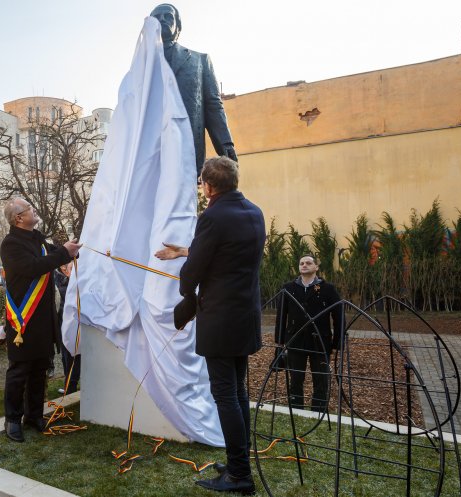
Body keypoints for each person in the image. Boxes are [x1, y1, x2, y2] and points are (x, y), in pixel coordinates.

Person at [163, 157, 264, 495]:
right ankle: (239, 462)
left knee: (226, 394)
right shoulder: (254, 211)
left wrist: (185, 289)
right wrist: (186, 251)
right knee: (238, 392)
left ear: (207, 186)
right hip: (245, 315)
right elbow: (227, 253)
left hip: (220, 318)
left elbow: (194, 271)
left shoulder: (212, 217)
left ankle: (239, 475)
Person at [0, 197, 82, 442]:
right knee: (20, 371)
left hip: (44, 318)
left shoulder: (38, 238)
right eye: (29, 209)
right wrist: (63, 254)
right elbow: (34, 267)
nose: (34, 210)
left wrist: (69, 251)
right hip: (23, 320)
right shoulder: (11, 244)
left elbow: (52, 256)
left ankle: (34, 415)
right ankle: (12, 419)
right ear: (18, 218)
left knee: (40, 369)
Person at [150, 4, 237, 176]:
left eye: (168, 16)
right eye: (156, 18)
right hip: (150, 153)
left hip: (187, 150)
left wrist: (226, 146)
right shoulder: (142, 68)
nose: (162, 20)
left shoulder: (199, 61)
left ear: (178, 26)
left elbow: (213, 106)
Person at [275, 255, 343, 412]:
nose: (304, 265)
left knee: (320, 379)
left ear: (316, 267)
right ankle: (296, 409)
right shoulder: (288, 288)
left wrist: (336, 344)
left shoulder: (327, 289)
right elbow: (281, 316)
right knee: (295, 379)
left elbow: (338, 317)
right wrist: (280, 341)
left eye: (308, 263)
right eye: (301, 263)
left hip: (320, 342)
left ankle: (318, 411)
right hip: (295, 340)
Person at [54, 263, 80, 395]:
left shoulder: (78, 275)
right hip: (64, 325)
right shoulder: (56, 279)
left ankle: (71, 386)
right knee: (67, 358)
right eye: (64, 266)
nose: (66, 268)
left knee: (77, 358)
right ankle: (69, 388)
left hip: (78, 324)